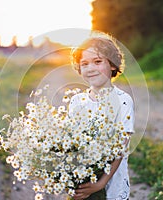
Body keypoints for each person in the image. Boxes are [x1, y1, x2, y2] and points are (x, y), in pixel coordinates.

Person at [68, 31, 135, 200]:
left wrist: (100, 184)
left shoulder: (123, 101)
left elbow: (121, 148)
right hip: (83, 183)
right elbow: (70, 145)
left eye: (97, 62)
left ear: (112, 64)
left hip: (112, 186)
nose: (90, 68)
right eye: (84, 64)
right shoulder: (77, 101)